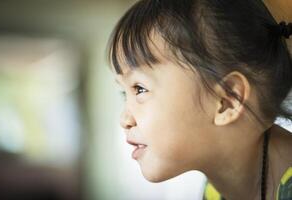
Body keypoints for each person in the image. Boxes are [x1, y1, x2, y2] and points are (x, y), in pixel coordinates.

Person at [107, 0, 292, 199]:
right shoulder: (214, 191)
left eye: (140, 89)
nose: (125, 120)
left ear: (227, 100)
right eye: (125, 93)